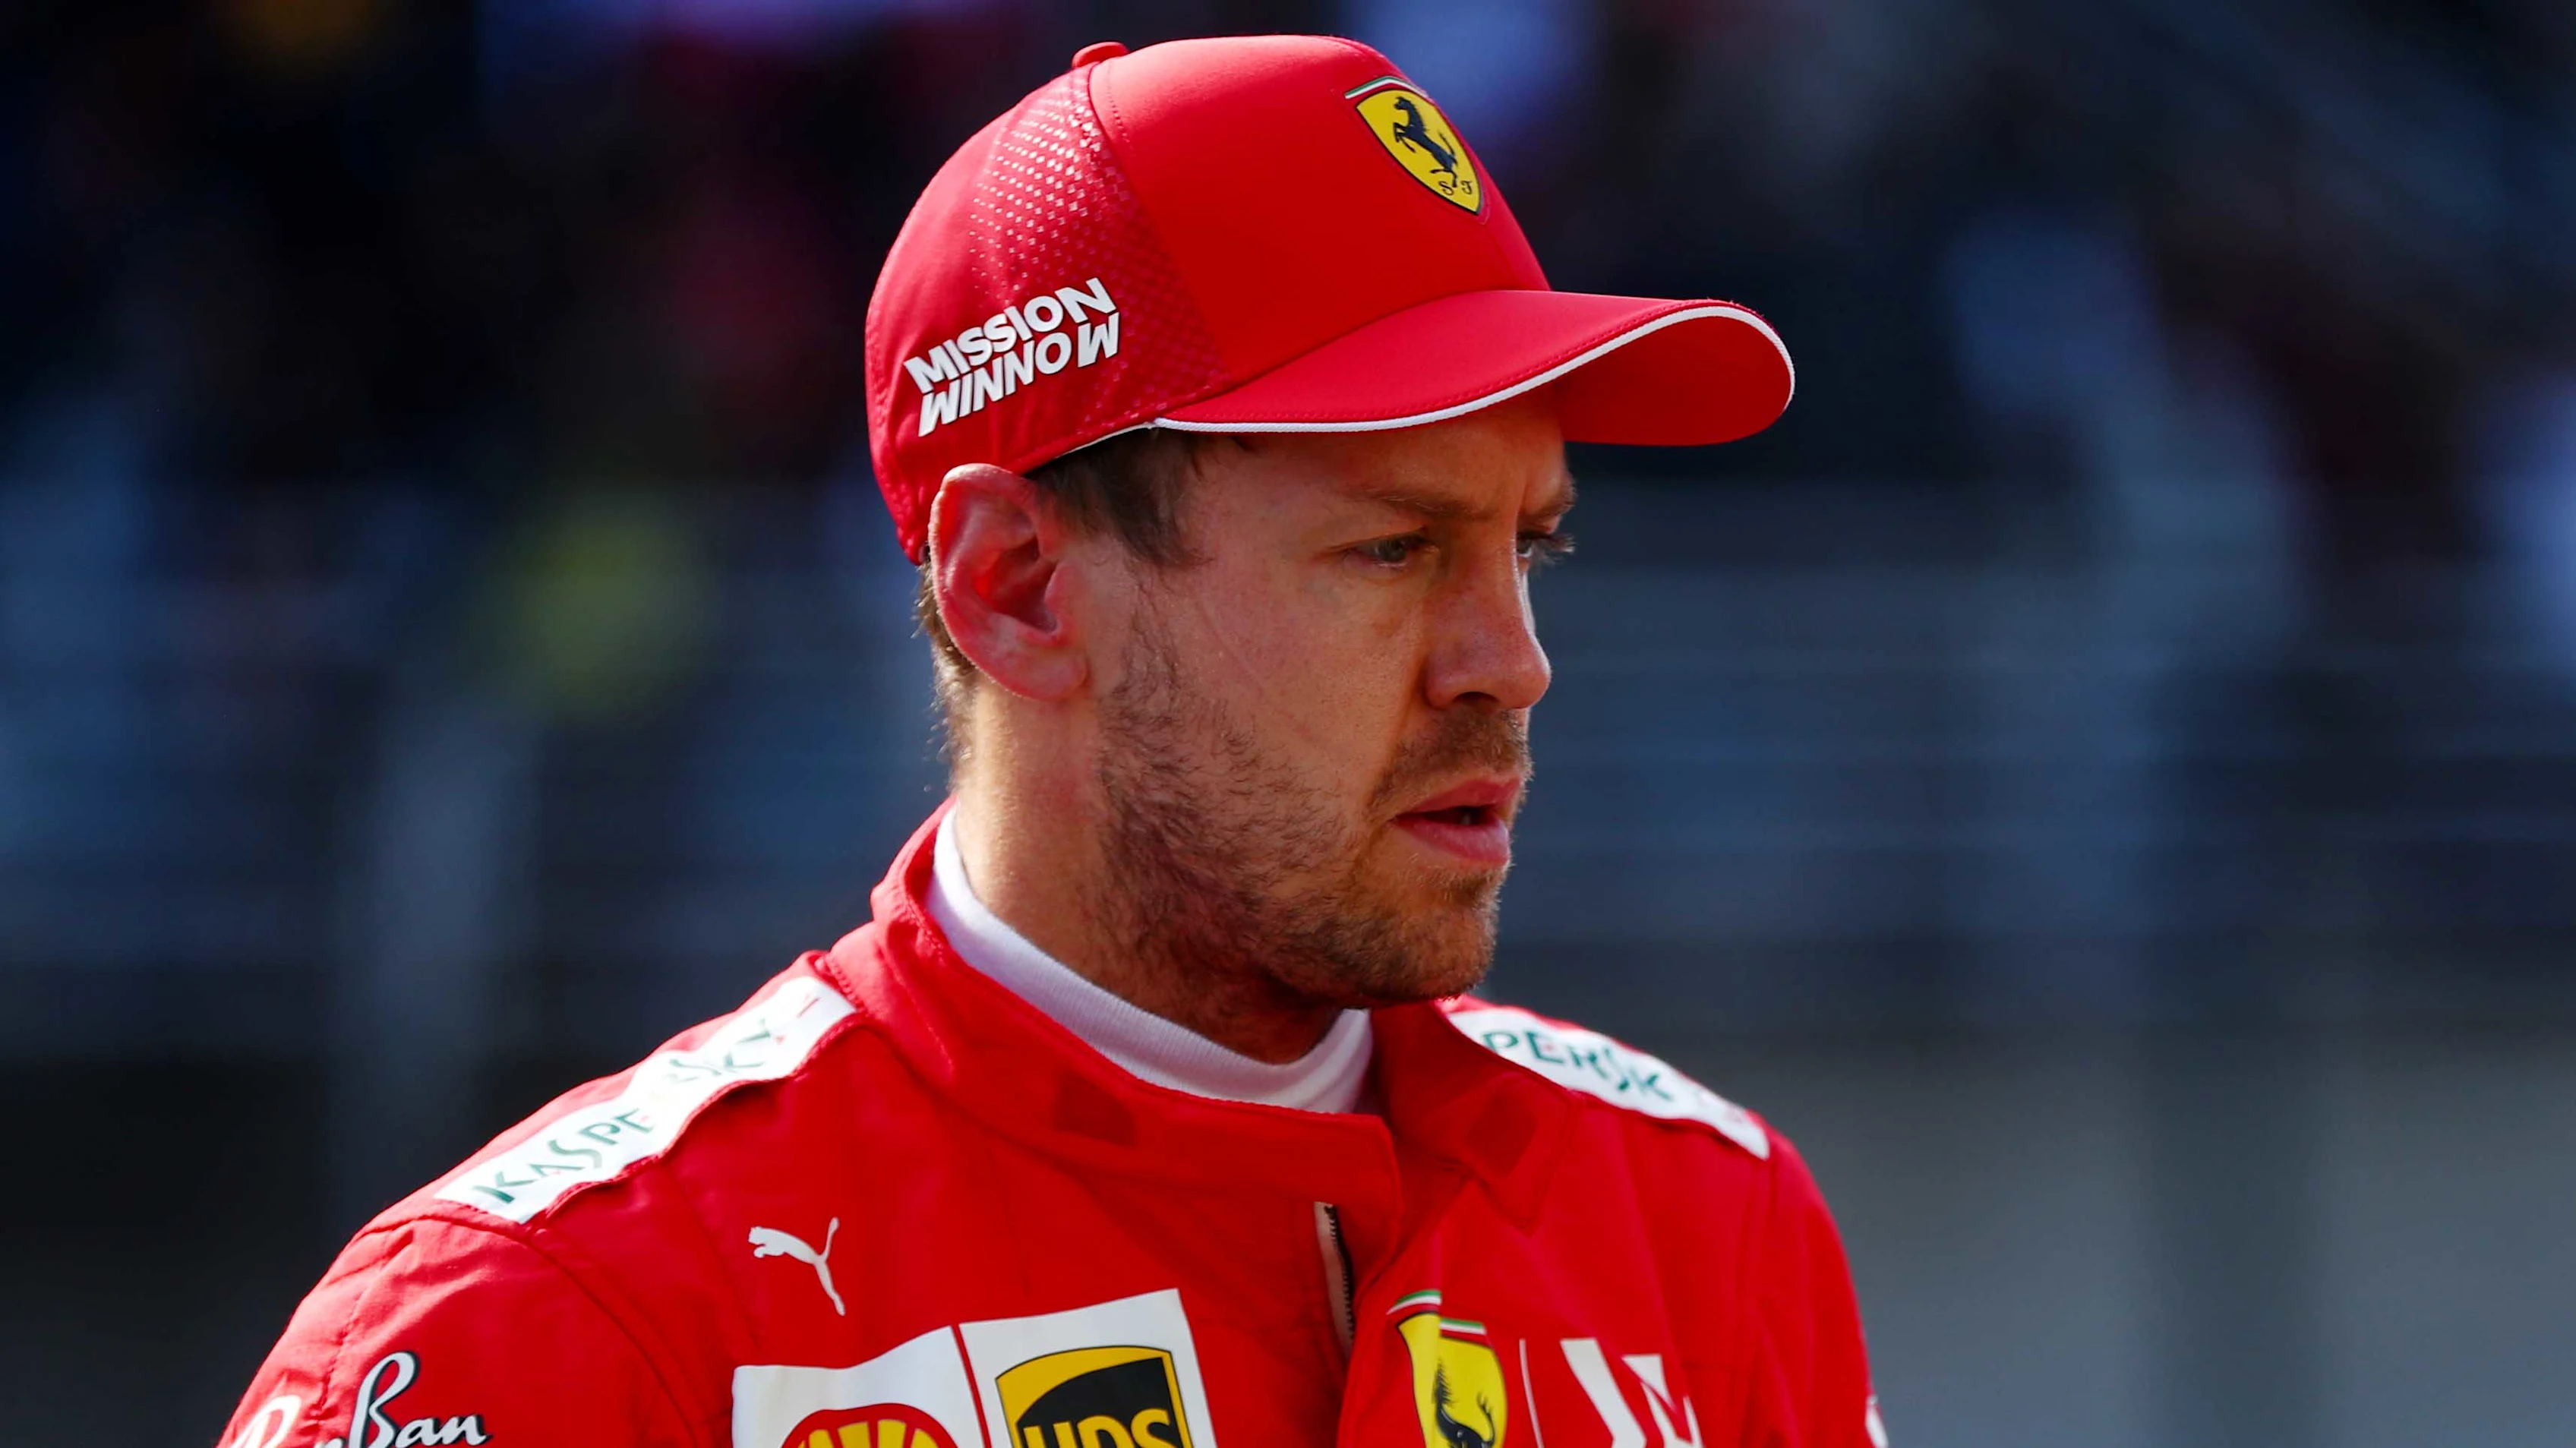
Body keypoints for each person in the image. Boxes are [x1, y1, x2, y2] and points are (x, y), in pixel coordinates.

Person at [218, 33, 1883, 1448]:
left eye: (1531, 546)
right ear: (1014, 587)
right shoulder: (542, 1327)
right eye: (1393, 549)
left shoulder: (1708, 1223)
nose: (1510, 664)